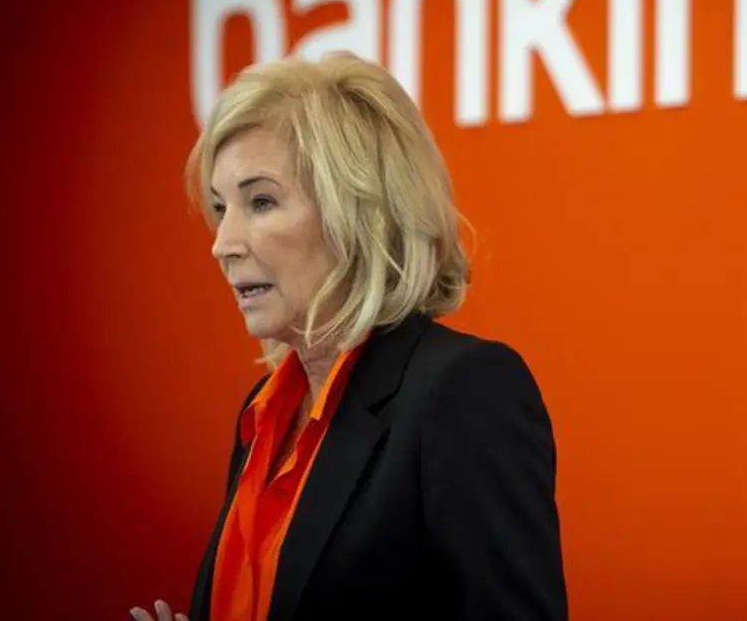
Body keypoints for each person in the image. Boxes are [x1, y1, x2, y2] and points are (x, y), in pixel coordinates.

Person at [130, 53, 567, 621]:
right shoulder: (262, 416)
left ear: (359, 214)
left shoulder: (462, 391)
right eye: (220, 208)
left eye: (260, 202)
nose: (223, 244)